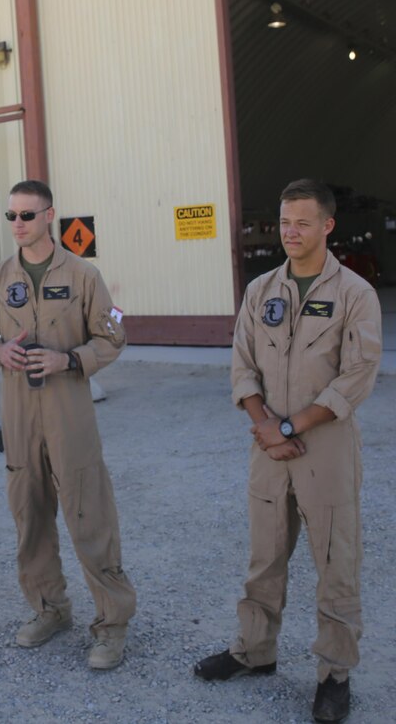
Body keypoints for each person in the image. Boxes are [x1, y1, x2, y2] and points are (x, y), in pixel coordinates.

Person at [194, 179, 382, 724]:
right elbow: (242, 366)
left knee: (335, 564)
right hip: (269, 449)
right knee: (264, 558)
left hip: (325, 447)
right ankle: (255, 653)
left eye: (302, 222)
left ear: (327, 225)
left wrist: (289, 424)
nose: (290, 233)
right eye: (284, 223)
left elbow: (358, 374)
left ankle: (334, 674)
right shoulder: (261, 292)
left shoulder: (354, 293)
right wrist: (265, 427)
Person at [0, 180, 136, 670]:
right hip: (19, 416)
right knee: (30, 517)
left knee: (90, 517)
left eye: (26, 215)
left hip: (69, 415)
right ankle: (49, 609)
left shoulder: (83, 274)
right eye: (11, 217)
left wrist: (69, 360)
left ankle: (112, 625)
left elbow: (113, 337)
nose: (18, 224)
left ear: (49, 216)